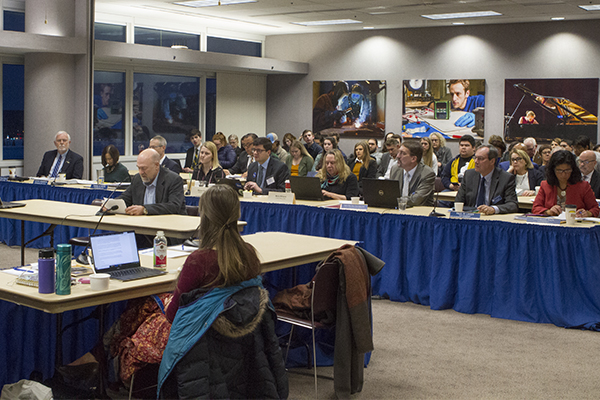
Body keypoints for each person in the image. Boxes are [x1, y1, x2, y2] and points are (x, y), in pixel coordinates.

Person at [158, 185, 288, 398]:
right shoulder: (249, 254)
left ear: (204, 216)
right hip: (243, 344)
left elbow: (172, 316)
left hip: (202, 344)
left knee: (139, 316)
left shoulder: (197, 261)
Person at [117, 148, 186, 216]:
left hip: (168, 223)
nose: (141, 172)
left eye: (144, 168)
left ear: (156, 165)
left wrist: (145, 210)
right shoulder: (137, 179)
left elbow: (174, 206)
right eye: (138, 168)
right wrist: (110, 205)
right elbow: (125, 199)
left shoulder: (173, 179)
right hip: (141, 224)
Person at [532, 150, 599, 217]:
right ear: (553, 170)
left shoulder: (583, 186)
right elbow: (535, 208)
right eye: (559, 170)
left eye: (567, 170)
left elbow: (595, 209)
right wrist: (548, 211)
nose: (563, 174)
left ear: (573, 169)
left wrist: (587, 213)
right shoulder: (545, 185)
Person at [455, 144, 518, 215]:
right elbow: (458, 201)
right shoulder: (469, 175)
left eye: (480, 158)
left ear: (492, 161)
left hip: (492, 220)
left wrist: (493, 209)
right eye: (475, 157)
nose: (476, 161)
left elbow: (513, 205)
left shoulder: (505, 178)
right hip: (470, 217)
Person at [389, 140, 435, 207]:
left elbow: (416, 200)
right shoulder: (395, 169)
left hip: (419, 213)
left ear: (413, 159)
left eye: (403, 153)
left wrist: (395, 200)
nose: (398, 156)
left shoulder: (427, 173)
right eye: (398, 152)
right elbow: (390, 193)